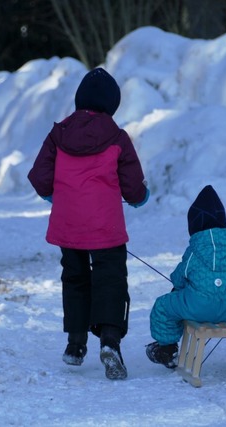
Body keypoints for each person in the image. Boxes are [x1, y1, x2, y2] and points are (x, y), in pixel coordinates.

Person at [28, 67, 149, 380]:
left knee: (75, 277)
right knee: (111, 278)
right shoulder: (117, 138)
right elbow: (133, 185)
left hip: (69, 225)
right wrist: (139, 197)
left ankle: (75, 344)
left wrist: (52, 195)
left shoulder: (59, 134)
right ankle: (110, 340)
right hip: (105, 228)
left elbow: (40, 177)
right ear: (112, 105)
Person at [146, 185, 226, 368]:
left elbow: (180, 276)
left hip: (198, 307)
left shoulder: (195, 248)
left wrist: (179, 289)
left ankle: (166, 349)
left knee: (163, 306)